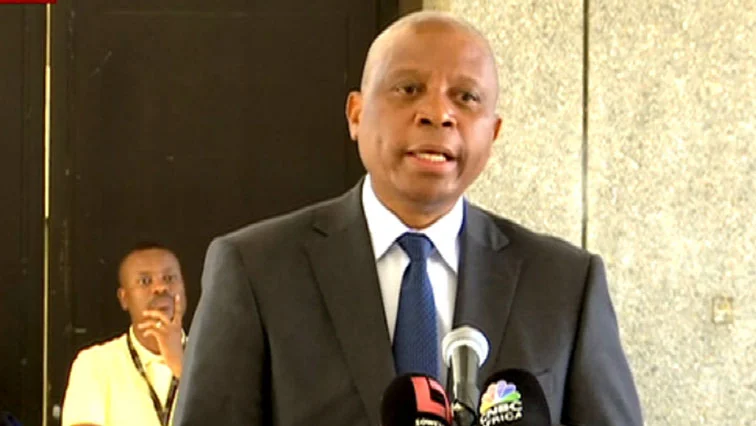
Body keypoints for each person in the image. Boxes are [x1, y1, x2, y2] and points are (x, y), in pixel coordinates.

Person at [174, 11, 643, 426]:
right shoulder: (256, 270)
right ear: (356, 114)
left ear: (493, 132)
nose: (438, 113)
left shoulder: (564, 284)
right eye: (409, 89)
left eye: (466, 97)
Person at [61, 242, 187, 426]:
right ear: (124, 298)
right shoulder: (95, 362)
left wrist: (182, 367)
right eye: (145, 281)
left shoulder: (216, 360)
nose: (160, 288)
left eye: (169, 278)